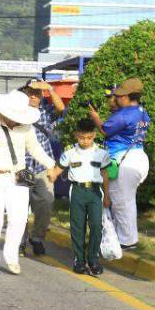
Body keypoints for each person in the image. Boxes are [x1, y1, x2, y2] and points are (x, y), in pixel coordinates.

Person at [0, 89, 55, 276]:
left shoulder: (26, 127)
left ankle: (11, 257)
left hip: (16, 178)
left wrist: (51, 165)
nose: (16, 120)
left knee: (19, 220)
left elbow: (35, 149)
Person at [88, 77, 149, 250]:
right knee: (127, 201)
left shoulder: (124, 114)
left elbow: (104, 130)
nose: (117, 99)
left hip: (124, 160)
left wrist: (95, 117)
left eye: (120, 96)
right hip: (138, 156)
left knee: (121, 201)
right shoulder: (142, 111)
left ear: (128, 96)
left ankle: (127, 240)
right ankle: (126, 236)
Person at [49, 118, 111, 275]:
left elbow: (105, 175)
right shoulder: (70, 152)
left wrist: (107, 196)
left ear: (94, 135)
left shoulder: (101, 153)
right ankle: (79, 260)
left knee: (97, 226)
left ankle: (93, 259)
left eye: (89, 137)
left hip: (95, 192)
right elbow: (57, 169)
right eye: (82, 137)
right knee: (78, 227)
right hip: (77, 191)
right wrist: (51, 176)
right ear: (76, 135)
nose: (85, 141)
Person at [20, 80, 65, 256]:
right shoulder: (15, 113)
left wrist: (50, 89)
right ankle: (20, 241)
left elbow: (61, 108)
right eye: (30, 92)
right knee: (20, 207)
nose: (33, 96)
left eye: (37, 93)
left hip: (42, 167)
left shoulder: (45, 113)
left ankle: (37, 237)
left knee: (46, 202)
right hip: (20, 167)